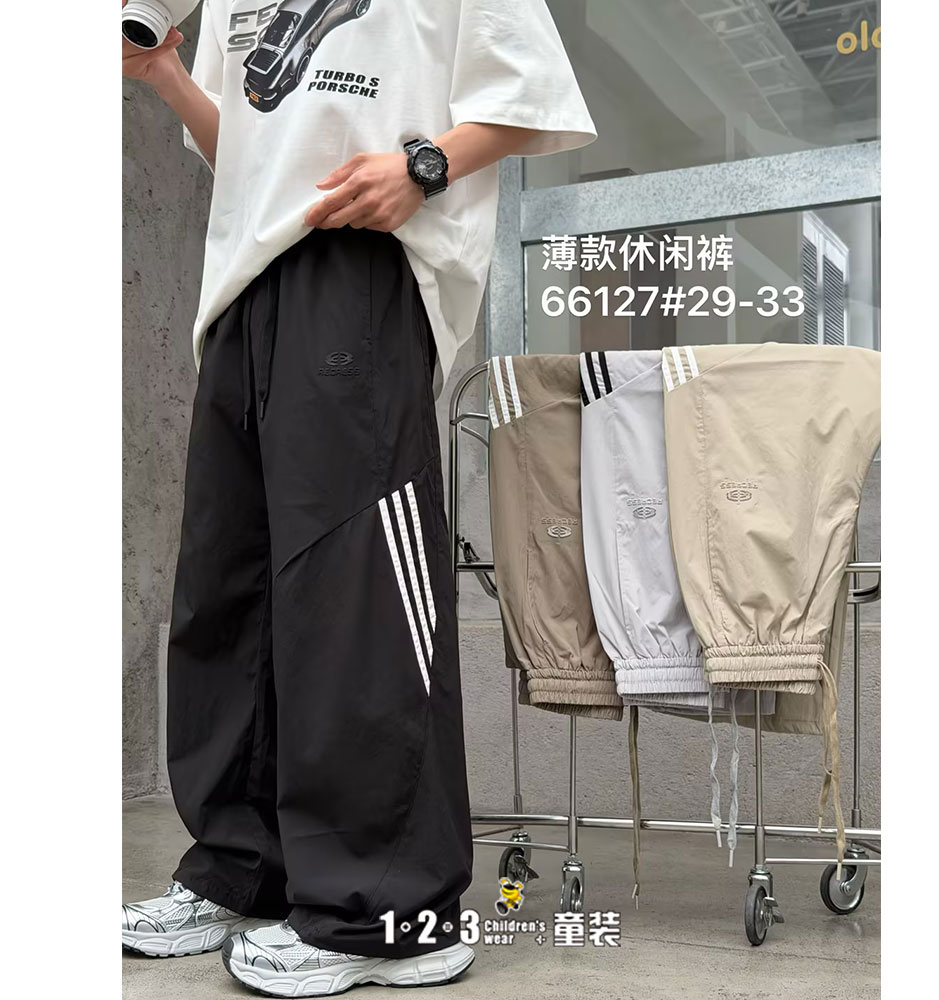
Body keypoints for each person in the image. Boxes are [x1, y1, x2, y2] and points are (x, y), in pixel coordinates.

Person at [121, 0, 597, 995]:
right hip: (242, 288)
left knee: (357, 594)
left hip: (362, 264)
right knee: (229, 593)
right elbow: (247, 153)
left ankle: (392, 912)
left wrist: (423, 166)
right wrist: (165, 76)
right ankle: (245, 867)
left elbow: (534, 94)